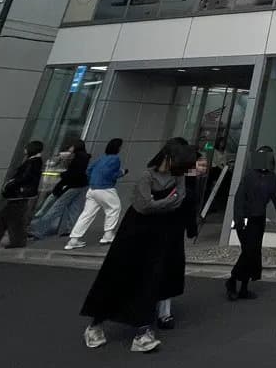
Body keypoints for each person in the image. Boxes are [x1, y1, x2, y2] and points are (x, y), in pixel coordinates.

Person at [80, 140, 196, 353]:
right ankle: (95, 325)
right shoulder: (146, 177)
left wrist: (160, 203)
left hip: (163, 233)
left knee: (151, 279)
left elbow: (177, 200)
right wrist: (165, 202)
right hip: (135, 233)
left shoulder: (177, 177)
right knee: (120, 275)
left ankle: (143, 332)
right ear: (169, 158)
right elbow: (144, 206)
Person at [227, 146, 276, 301]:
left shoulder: (272, 178)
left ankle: (243, 287)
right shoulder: (249, 176)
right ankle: (233, 280)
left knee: (253, 252)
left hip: (259, 219)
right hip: (245, 218)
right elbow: (239, 198)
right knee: (248, 250)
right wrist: (238, 218)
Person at [153, 138, 200, 331]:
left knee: (161, 270)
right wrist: (191, 228)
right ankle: (163, 313)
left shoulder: (166, 177)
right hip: (168, 233)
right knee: (166, 270)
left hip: (163, 232)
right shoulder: (181, 181)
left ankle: (161, 311)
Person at [0, 141, 44, 249]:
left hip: (19, 195)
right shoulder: (34, 161)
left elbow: (24, 178)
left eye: (26, 148)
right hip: (21, 195)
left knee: (10, 220)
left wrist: (11, 183)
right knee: (6, 219)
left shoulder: (32, 162)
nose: (24, 151)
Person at [66, 138, 126, 250]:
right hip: (106, 188)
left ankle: (73, 240)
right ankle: (107, 235)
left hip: (92, 189)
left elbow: (88, 170)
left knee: (86, 214)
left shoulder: (101, 158)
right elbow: (111, 174)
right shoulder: (115, 159)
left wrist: (93, 180)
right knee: (114, 208)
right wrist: (122, 172)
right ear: (118, 148)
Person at [29, 139, 90, 240]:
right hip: (80, 185)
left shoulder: (77, 157)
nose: (69, 148)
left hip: (70, 185)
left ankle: (39, 230)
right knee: (73, 208)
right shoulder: (83, 157)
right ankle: (71, 230)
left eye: (71, 146)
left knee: (56, 207)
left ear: (75, 146)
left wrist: (63, 175)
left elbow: (73, 172)